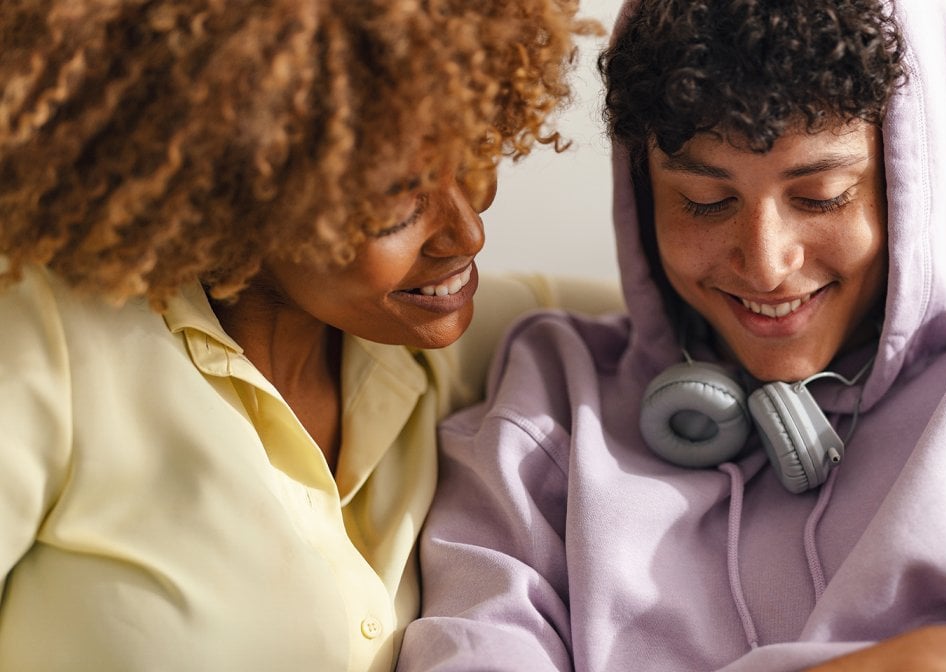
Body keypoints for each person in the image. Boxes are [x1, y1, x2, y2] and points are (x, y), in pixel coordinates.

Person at [397, 0, 946, 669]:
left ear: (915, 176)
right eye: (703, 202)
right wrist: (925, 662)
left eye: (822, 195)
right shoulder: (550, 406)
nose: (767, 263)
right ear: (642, 196)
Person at [0, 1, 621, 670]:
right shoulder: (45, 343)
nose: (467, 233)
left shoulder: (455, 340)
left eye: (473, 153)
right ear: (237, 189)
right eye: (395, 201)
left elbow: (701, 310)